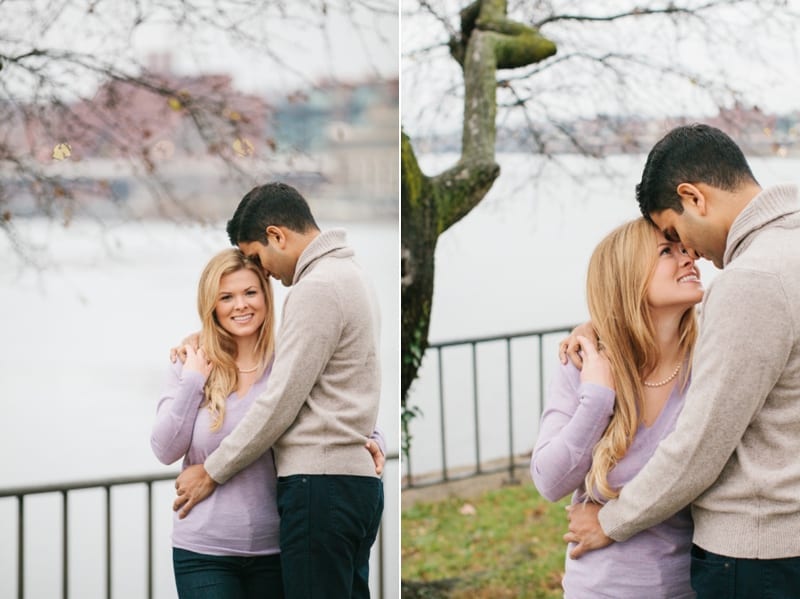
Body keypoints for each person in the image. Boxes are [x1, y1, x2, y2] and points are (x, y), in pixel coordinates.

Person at [562, 123, 800, 598]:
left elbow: (700, 443)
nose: (691, 253)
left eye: (674, 233)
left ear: (694, 197)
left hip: (755, 554)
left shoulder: (752, 279)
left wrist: (611, 521)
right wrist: (602, 329)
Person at [170, 182, 384, 599]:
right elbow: (351, 378)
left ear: (277, 236)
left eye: (256, 257)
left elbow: (280, 400)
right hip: (352, 487)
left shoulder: (316, 287)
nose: (263, 270)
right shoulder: (352, 274)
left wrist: (211, 472)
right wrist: (369, 435)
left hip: (319, 488)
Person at [531, 217, 703, 598]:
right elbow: (549, 481)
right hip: (600, 589)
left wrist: (611, 520)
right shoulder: (582, 365)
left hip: (691, 587)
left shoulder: (709, 362)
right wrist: (596, 401)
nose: (690, 257)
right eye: (666, 251)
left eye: (685, 248)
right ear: (627, 277)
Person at [151, 248, 284, 598]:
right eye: (227, 297)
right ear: (212, 305)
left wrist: (373, 435)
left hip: (278, 551)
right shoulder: (190, 361)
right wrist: (193, 382)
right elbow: (164, 450)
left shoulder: (287, 363)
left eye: (249, 293)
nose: (240, 305)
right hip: (203, 553)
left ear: (266, 296)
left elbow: (334, 398)